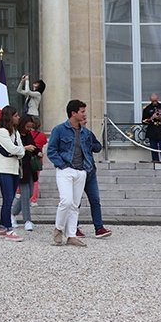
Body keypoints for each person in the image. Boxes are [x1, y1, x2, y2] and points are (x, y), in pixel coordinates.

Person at [46, 99, 98, 248]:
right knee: (66, 201)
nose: (85, 114)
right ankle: (58, 229)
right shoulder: (59, 130)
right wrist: (62, 165)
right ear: (73, 113)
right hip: (65, 170)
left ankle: (71, 236)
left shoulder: (85, 132)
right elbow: (51, 150)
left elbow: (94, 148)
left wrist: (87, 167)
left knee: (75, 205)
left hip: (81, 171)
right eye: (82, 112)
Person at [0, 105, 28, 242]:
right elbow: (13, 149)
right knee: (7, 198)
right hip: (3, 169)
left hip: (14, 168)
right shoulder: (1, 132)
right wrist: (18, 151)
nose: (18, 118)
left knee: (9, 198)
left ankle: (2, 227)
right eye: (15, 115)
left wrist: (18, 151)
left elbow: (19, 151)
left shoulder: (15, 132)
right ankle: (8, 228)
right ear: (9, 117)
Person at [11, 115, 41, 231]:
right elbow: (14, 149)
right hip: (21, 168)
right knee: (25, 193)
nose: (29, 129)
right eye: (28, 127)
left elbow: (34, 146)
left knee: (29, 193)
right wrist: (25, 148)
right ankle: (27, 220)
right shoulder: (15, 134)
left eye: (31, 127)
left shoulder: (28, 135)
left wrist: (38, 152)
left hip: (30, 168)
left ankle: (12, 214)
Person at [75, 161, 113, 239]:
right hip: (77, 171)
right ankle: (73, 228)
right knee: (76, 202)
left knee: (95, 200)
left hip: (90, 172)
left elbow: (94, 152)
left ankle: (99, 228)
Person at [142, 93, 161, 163]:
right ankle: (155, 163)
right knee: (154, 150)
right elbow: (143, 121)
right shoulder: (147, 108)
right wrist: (151, 118)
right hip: (152, 131)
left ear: (158, 99)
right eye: (153, 101)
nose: (154, 102)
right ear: (150, 100)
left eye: (155, 100)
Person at [29, 122, 48, 204]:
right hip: (37, 160)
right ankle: (34, 199)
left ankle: (19, 193)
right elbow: (44, 142)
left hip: (28, 158)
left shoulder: (28, 134)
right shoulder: (42, 135)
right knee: (35, 180)